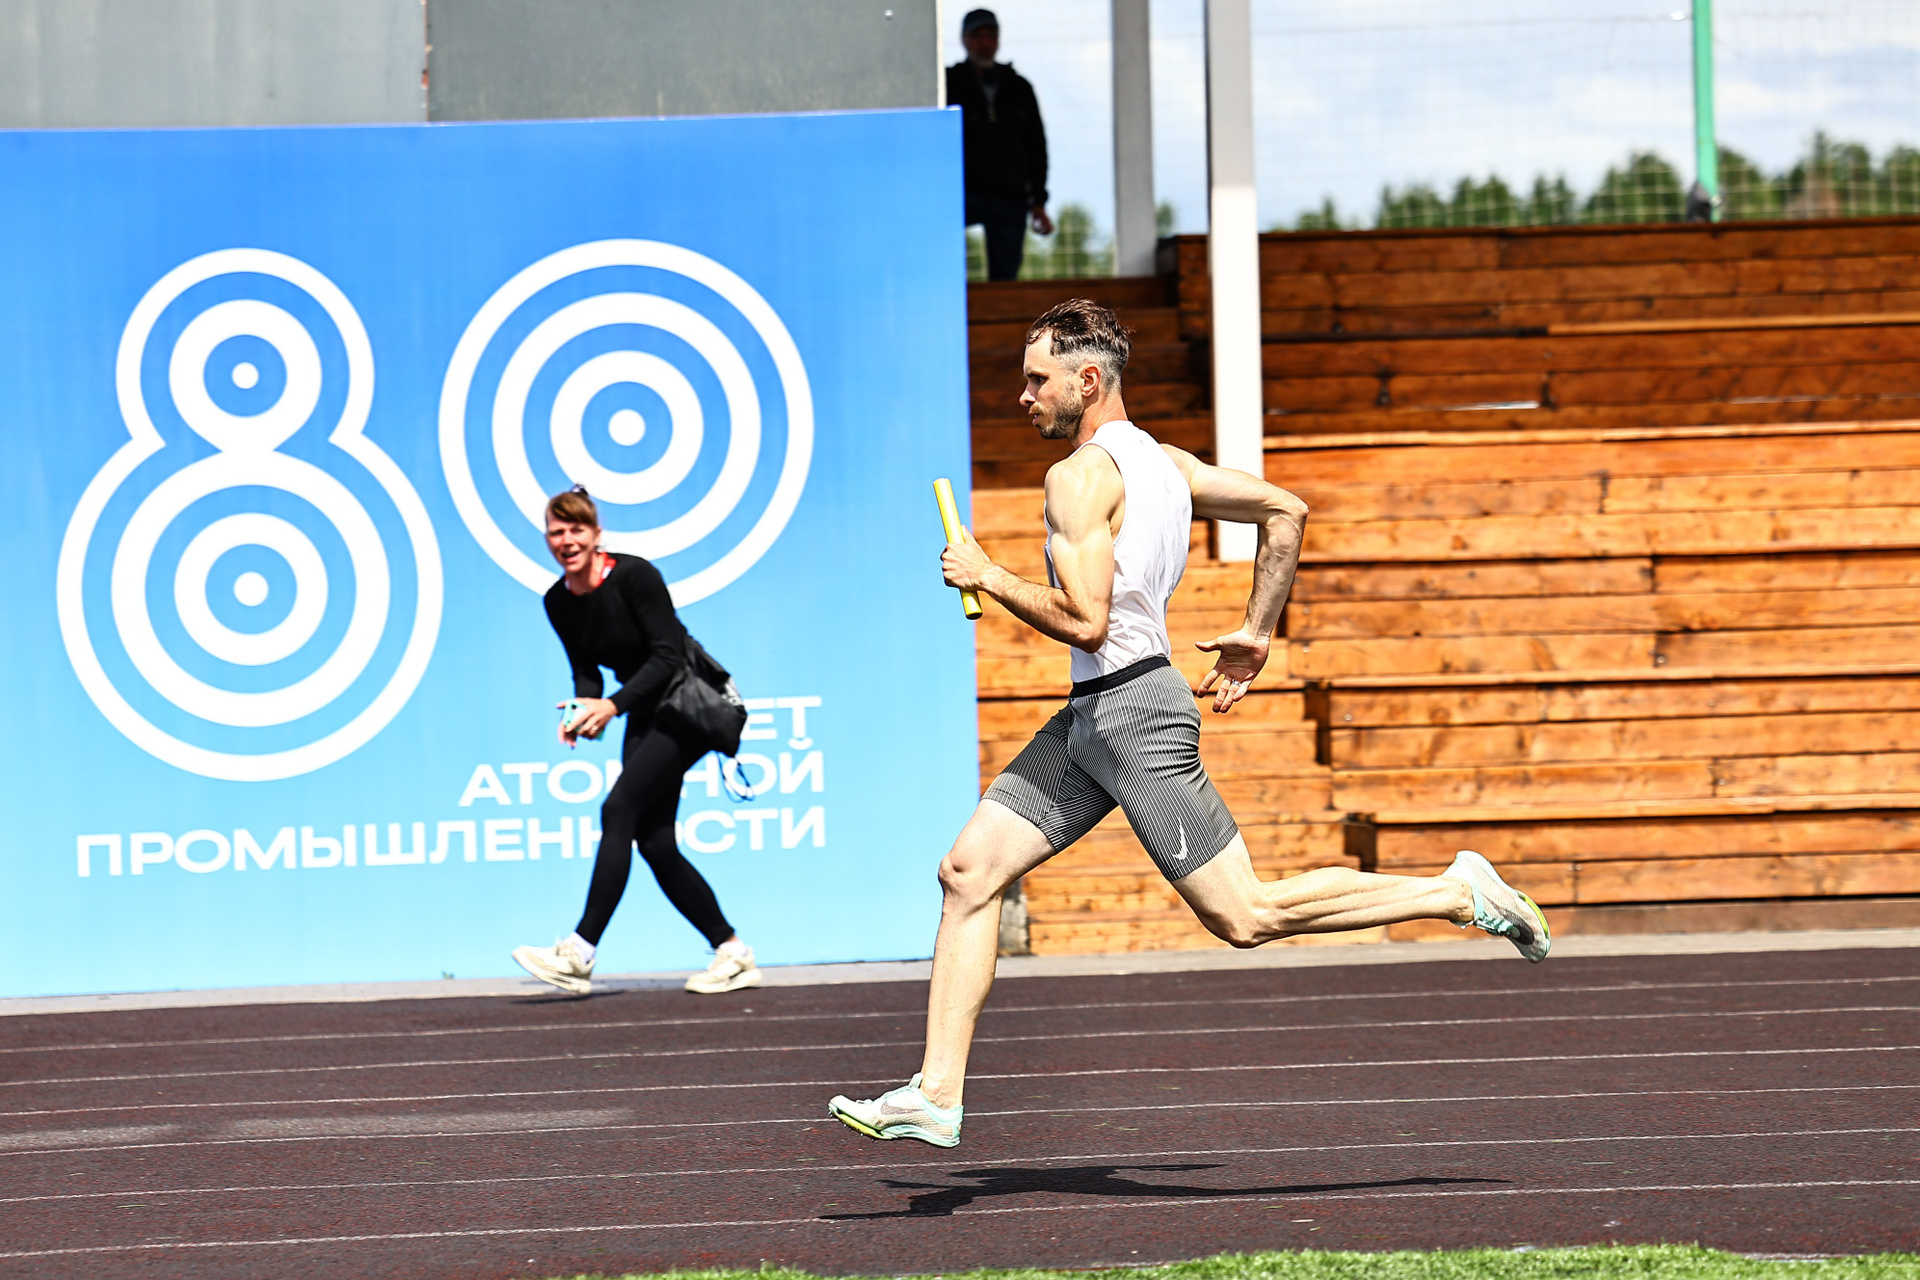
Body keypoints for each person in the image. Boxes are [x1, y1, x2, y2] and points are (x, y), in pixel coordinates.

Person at [826, 300, 1549, 1148]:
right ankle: (937, 1095)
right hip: (1092, 716)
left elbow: (1086, 620)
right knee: (967, 871)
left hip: (1133, 712)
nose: (1023, 397)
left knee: (1245, 915)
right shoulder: (1167, 464)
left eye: (1036, 380)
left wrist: (989, 574)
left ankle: (1459, 893)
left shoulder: (1078, 477)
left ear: (1086, 380)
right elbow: (1286, 511)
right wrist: (1257, 632)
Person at [511, 486, 760, 997]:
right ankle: (732, 951)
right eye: (556, 532)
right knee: (655, 842)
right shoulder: (558, 601)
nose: (566, 540)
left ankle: (579, 951)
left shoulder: (635, 575)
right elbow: (587, 671)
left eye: (576, 529)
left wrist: (612, 706)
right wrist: (582, 710)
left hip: (689, 704)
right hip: (646, 708)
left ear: (595, 534)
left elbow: (667, 656)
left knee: (618, 808)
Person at [948, 8, 1052, 282]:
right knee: (946, 264)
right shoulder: (949, 84)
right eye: (977, 36)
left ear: (998, 39)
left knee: (1005, 281)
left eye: (990, 35)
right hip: (960, 193)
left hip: (1010, 197)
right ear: (964, 39)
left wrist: (1038, 200)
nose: (984, 43)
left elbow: (1036, 145)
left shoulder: (1019, 88)